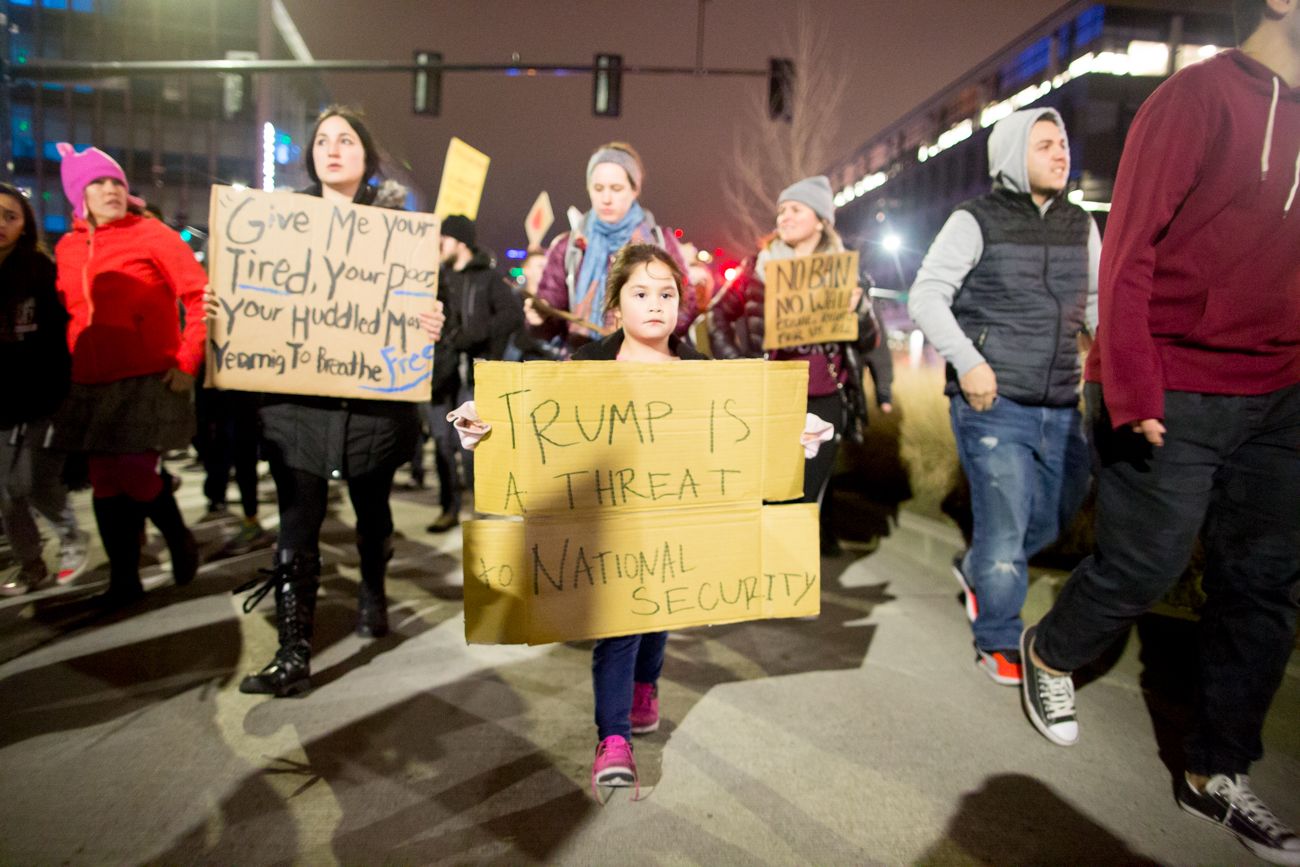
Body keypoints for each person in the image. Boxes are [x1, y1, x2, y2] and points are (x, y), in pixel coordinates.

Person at [1020, 3, 1300, 861]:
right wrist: (1134, 381)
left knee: (1263, 587)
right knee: (1149, 560)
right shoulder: (1194, 100)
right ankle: (1051, 649)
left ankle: (1219, 773)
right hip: (1175, 383)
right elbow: (1131, 253)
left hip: (1284, 395)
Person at [234, 106, 446, 698]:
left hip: (372, 403)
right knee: (297, 519)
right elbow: (257, 293)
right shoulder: (280, 223)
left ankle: (373, 588)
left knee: (370, 506)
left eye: (346, 140)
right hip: (299, 402)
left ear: (366, 155)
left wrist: (430, 319)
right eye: (322, 140)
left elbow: (432, 305)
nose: (332, 150)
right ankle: (293, 649)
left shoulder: (398, 229)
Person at [906, 109, 1098, 686]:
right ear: (1014, 155)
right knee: (1007, 527)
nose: (1060, 154)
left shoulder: (1081, 224)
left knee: (1057, 514)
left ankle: (978, 567)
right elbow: (927, 296)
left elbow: (1095, 305)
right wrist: (970, 363)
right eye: (1044, 145)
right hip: (991, 402)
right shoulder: (974, 220)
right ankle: (998, 636)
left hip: (1063, 403)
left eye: (1063, 144)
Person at [51, 145, 206, 606]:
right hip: (88, 382)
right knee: (104, 481)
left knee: (135, 473)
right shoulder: (67, 247)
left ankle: (178, 537)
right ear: (78, 196)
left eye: (116, 181)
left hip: (148, 378)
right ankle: (123, 580)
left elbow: (200, 297)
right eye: (97, 183)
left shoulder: (152, 234)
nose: (111, 190)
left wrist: (186, 363)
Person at [706, 175, 878, 555]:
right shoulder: (759, 268)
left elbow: (869, 341)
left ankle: (787, 580)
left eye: (795, 209)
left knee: (807, 492)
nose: (784, 217)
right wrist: (738, 363)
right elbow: (716, 316)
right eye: (781, 210)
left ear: (820, 219)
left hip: (826, 398)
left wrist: (859, 310)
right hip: (774, 396)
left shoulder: (845, 272)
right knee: (772, 489)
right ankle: (760, 570)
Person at [0, 182, 90, 596]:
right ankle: (31, 562)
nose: (1, 224)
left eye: (10, 216)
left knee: (35, 485)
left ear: (25, 225)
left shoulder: (41, 273)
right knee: (5, 492)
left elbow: (60, 340)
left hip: (39, 399)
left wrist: (63, 397)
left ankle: (71, 535)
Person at [531, 142, 696, 354]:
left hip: (645, 361)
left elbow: (686, 303)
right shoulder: (569, 246)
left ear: (634, 189)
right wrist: (539, 317)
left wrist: (654, 329)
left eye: (616, 189)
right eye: (598, 188)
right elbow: (551, 313)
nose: (606, 198)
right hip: (583, 363)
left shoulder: (659, 243)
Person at [425, 215, 522, 534]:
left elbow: (511, 314)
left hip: (472, 373)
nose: (439, 246)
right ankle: (448, 508)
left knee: (469, 441)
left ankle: (483, 504)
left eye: (444, 240)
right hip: (440, 373)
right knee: (441, 441)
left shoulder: (488, 277)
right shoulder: (434, 278)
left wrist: (478, 334)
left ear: (460, 242)